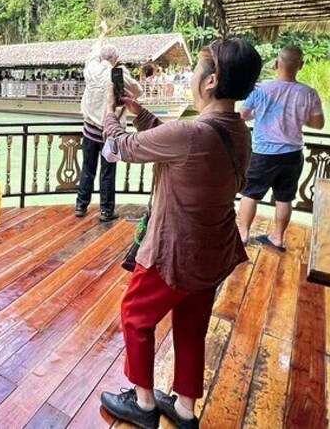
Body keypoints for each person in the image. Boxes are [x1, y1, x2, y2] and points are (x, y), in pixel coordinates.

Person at [100, 38, 262, 429]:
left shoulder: (192, 134)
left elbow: (114, 149)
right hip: (213, 250)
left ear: (211, 81)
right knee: (191, 325)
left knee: (136, 316)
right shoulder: (239, 131)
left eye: (197, 69)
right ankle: (185, 409)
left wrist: (111, 113)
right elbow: (179, 147)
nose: (191, 76)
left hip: (174, 250)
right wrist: (141, 115)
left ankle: (142, 404)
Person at [237, 45, 325, 251]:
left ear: (277, 64)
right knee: (285, 197)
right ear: (300, 66)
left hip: (263, 153)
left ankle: (242, 234)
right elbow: (318, 124)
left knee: (250, 194)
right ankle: (277, 237)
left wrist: (260, 114)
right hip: (292, 154)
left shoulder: (260, 89)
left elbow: (242, 116)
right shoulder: (309, 93)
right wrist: (297, 117)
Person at [76, 37, 142, 222]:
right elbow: (138, 91)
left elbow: (92, 53)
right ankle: (106, 211)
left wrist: (101, 37)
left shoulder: (90, 68)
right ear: (115, 58)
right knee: (107, 172)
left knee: (87, 169)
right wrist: (121, 68)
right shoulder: (117, 73)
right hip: (109, 133)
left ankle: (81, 205)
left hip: (89, 130)